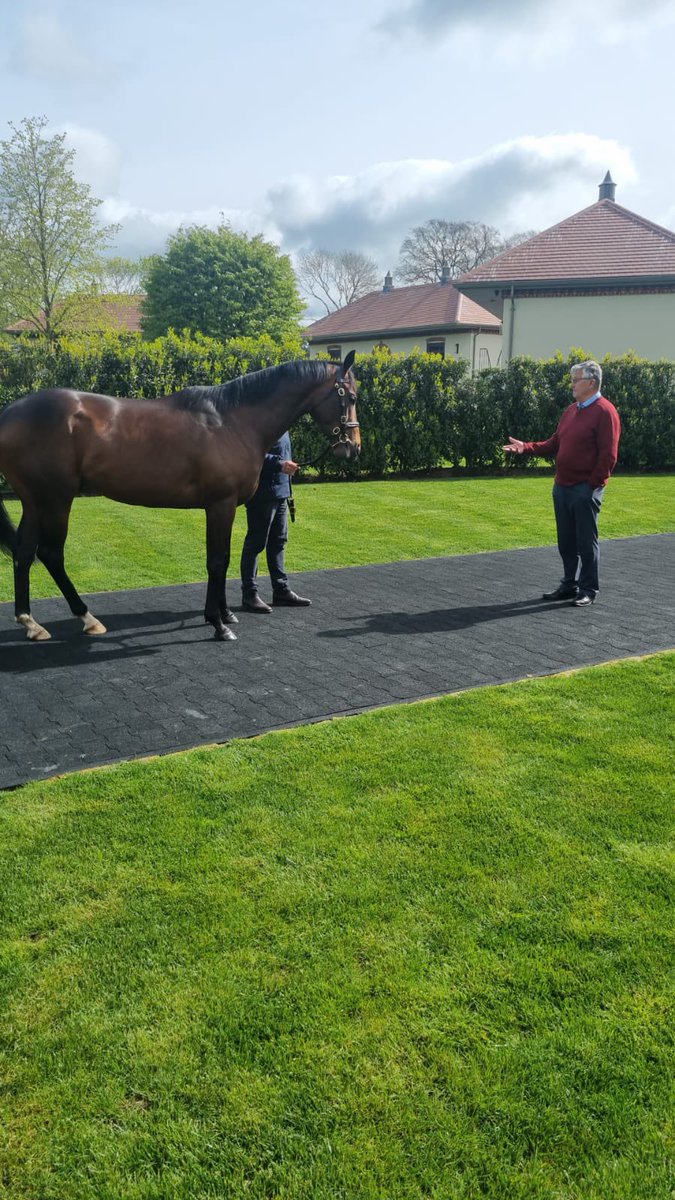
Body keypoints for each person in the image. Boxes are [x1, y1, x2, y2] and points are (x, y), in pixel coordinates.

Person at [504, 360, 621, 607]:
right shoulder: (571, 410)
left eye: (576, 380)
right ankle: (569, 584)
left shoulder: (605, 412)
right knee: (566, 541)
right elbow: (554, 443)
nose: (572, 384)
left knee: (586, 542)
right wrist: (525, 447)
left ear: (591, 382)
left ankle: (588, 589)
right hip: (562, 487)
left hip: (584, 489)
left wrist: (591, 486)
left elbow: (608, 455)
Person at [240, 432, 311, 613]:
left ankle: (280, 590)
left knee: (278, 542)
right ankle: (249, 595)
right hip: (262, 494)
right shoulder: (262, 420)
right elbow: (250, 453)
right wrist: (279, 464)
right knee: (256, 544)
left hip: (281, 492)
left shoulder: (283, 425)